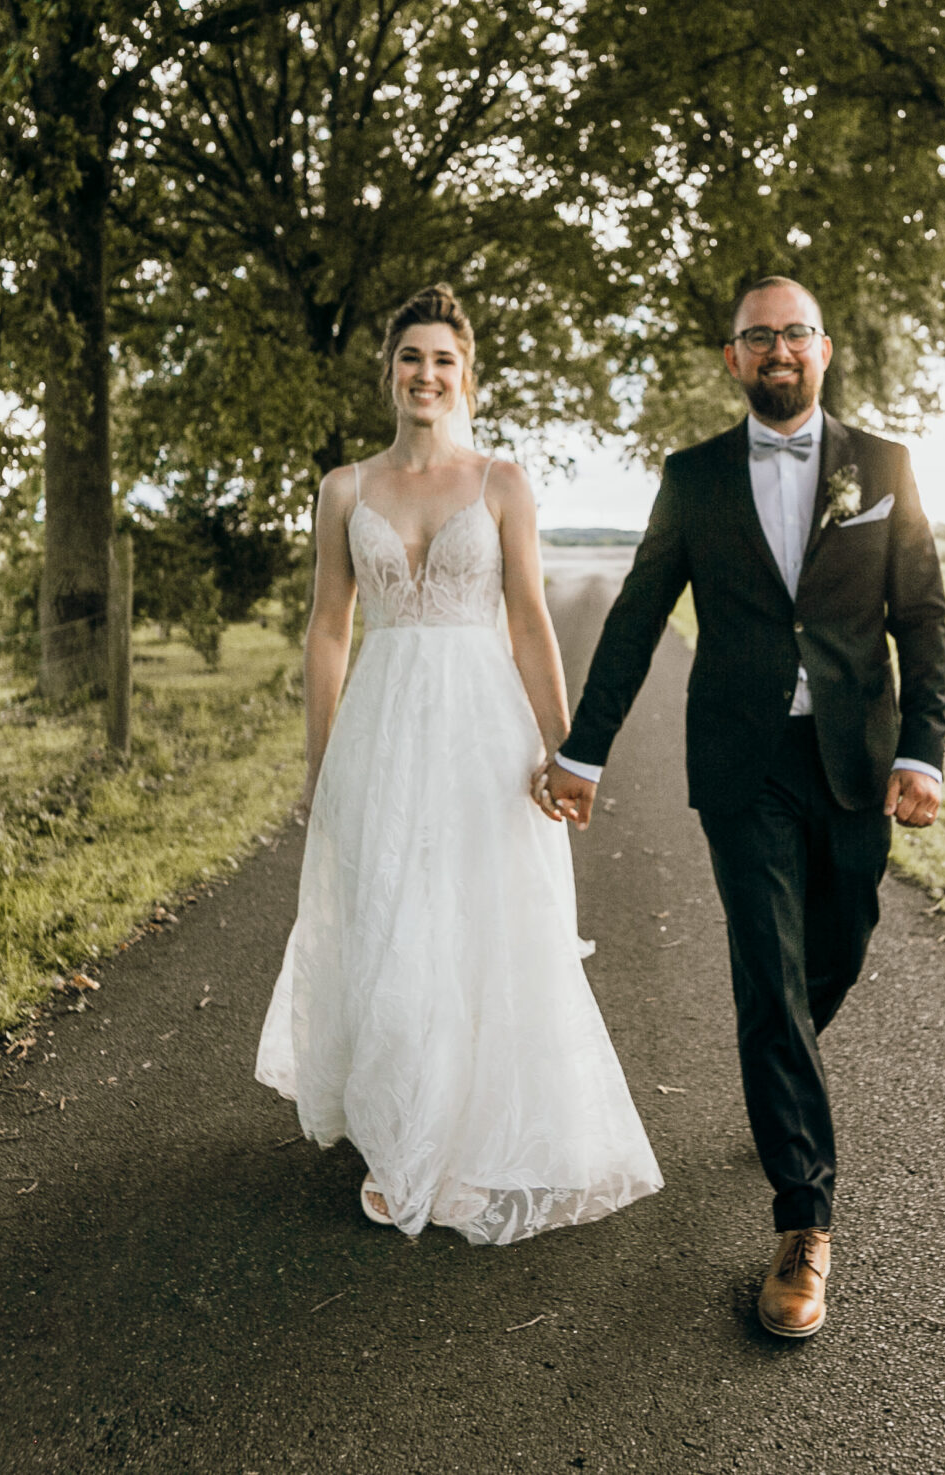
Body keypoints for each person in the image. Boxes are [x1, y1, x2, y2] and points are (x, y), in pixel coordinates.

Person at [542, 276, 945, 1337]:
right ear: (732, 358)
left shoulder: (884, 467)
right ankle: (803, 1221)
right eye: (758, 336)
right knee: (768, 970)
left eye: (795, 332)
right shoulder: (693, 478)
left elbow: (920, 615)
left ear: (823, 349)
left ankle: (782, 1074)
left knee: (836, 949)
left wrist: (924, 751)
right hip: (742, 761)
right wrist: (584, 751)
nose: (778, 349)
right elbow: (637, 613)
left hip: (854, 755)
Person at [257, 283, 661, 1245]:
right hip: (382, 727)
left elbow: (529, 621)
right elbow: (328, 630)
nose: (426, 374)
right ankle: (405, 1127)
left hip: (484, 726)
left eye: (444, 359)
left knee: (480, 914)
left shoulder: (502, 483)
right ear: (388, 372)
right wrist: (319, 763)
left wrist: (566, 751)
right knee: (394, 914)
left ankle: (477, 1130)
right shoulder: (345, 490)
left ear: (466, 375)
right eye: (411, 357)